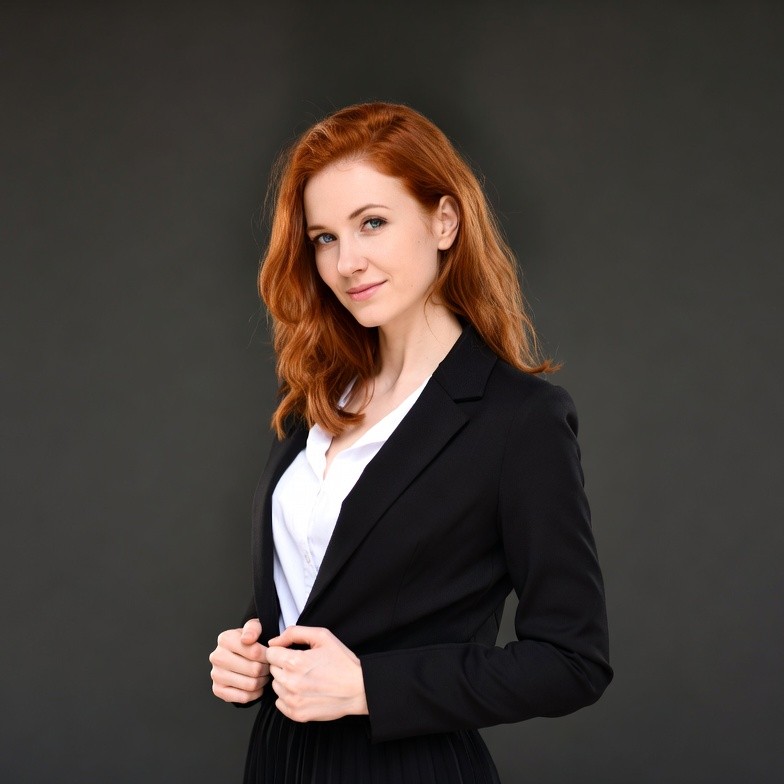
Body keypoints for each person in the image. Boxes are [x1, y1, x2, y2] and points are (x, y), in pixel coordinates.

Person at [209, 101, 612, 783]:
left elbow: (572, 660)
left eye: (372, 223)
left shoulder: (518, 419)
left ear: (444, 221)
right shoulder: (317, 404)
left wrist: (370, 686)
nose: (346, 262)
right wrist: (248, 648)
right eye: (324, 238)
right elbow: (325, 585)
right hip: (279, 762)